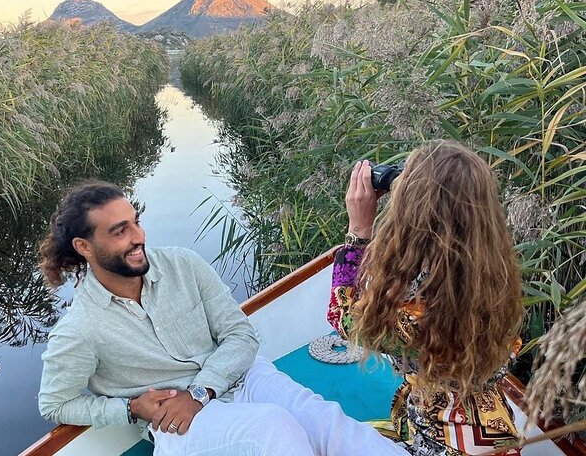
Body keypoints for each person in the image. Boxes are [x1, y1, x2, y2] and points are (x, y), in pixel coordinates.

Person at [37, 181, 407, 456]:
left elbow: (240, 335)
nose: (139, 237)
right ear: (84, 247)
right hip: (177, 423)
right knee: (272, 429)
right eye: (120, 231)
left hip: (239, 377)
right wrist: (130, 408)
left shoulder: (182, 264)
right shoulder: (80, 328)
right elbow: (55, 404)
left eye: (135, 222)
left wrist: (202, 391)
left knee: (328, 424)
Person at [328, 139, 524, 455]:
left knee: (326, 432)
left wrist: (359, 232)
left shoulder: (413, 312)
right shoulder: (495, 274)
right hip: (491, 426)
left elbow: (344, 317)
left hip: (443, 442)